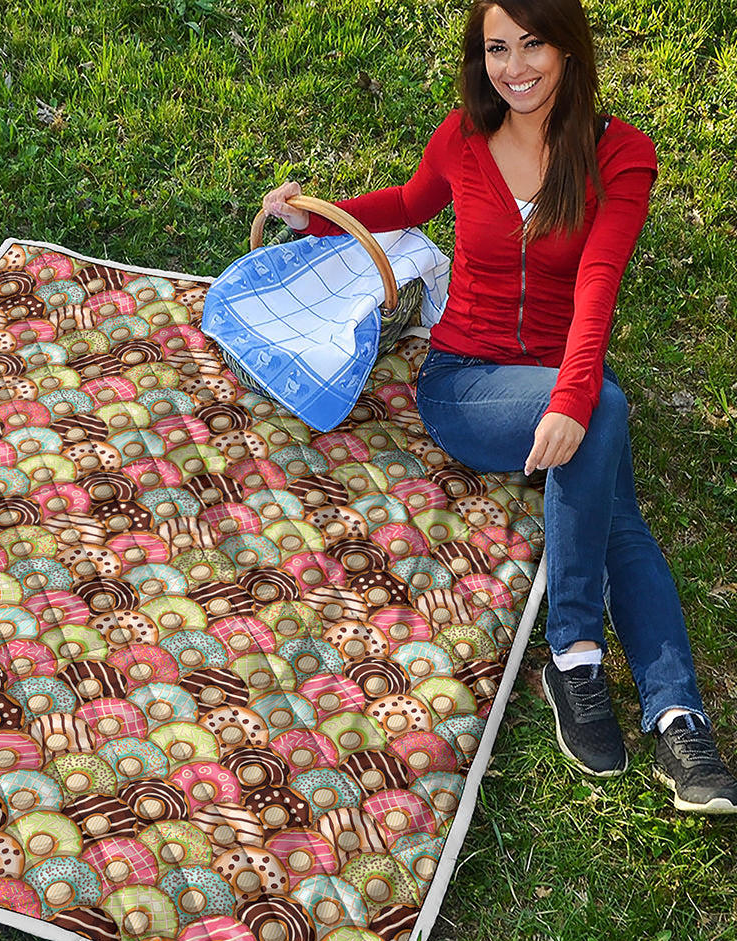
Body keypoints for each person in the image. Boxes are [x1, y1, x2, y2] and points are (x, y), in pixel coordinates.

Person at [261, 0, 737, 814]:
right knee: (607, 422)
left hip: (557, 376)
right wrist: (317, 221)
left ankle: (668, 712)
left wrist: (574, 397)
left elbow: (598, 284)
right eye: (496, 49)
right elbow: (409, 204)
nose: (514, 67)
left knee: (611, 475)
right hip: (464, 383)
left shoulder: (620, 155)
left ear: (568, 49)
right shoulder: (463, 137)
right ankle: (586, 657)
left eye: (533, 44)